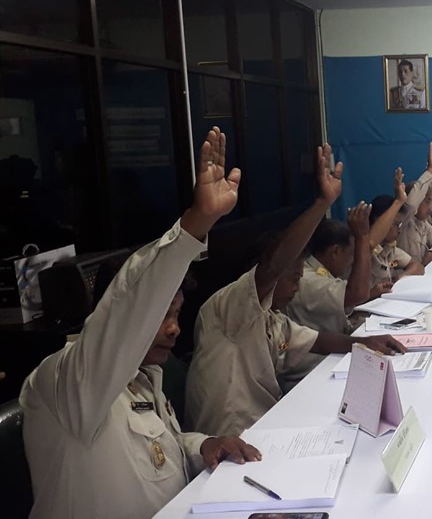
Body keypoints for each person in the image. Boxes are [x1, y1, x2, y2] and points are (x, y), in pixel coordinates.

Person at [19, 127, 263, 518]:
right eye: (162, 314)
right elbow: (129, 305)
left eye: (177, 314)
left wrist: (202, 445)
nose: (173, 328)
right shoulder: (69, 382)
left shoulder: (143, 378)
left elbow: (159, 449)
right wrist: (193, 227)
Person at [187, 144, 407, 437]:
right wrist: (322, 203)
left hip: (266, 425)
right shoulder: (229, 308)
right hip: (229, 440)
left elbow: (318, 341)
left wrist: (366, 342)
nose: (295, 288)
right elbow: (275, 265)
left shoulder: (273, 319)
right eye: (292, 279)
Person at [285, 205, 376, 336]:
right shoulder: (307, 280)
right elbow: (358, 293)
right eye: (351, 255)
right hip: (321, 356)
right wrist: (362, 237)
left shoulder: (323, 270)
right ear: (335, 252)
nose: (352, 262)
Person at [397, 142, 432, 266]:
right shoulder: (404, 221)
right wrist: (430, 170)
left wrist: (431, 253)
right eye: (424, 201)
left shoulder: (423, 223)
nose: (429, 208)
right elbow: (411, 204)